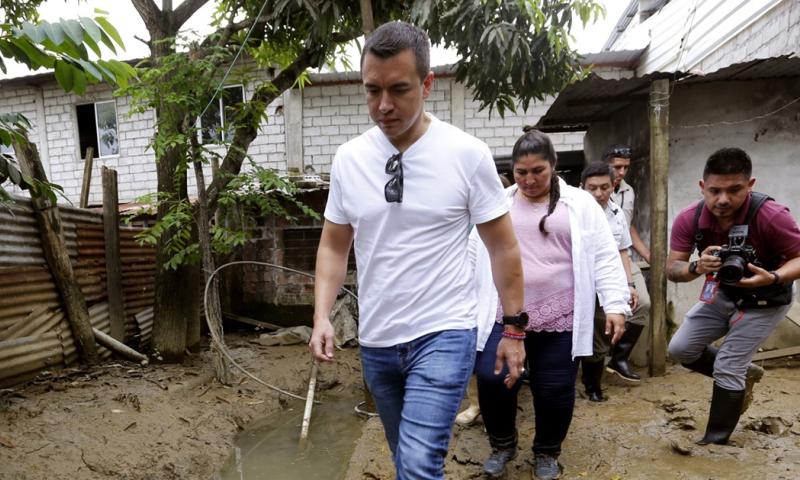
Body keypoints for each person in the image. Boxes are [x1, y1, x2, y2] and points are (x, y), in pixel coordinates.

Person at [309, 21, 526, 480]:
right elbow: (333, 245)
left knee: (416, 464)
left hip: (444, 331)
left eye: (399, 90)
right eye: (372, 91)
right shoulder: (349, 159)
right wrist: (322, 316)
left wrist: (513, 329)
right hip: (378, 340)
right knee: (404, 456)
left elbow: (503, 247)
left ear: (427, 84)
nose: (383, 105)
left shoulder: (466, 154)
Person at [474, 129, 630, 479]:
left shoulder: (580, 203)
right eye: (521, 172)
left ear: (554, 166)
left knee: (555, 388)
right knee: (492, 377)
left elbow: (605, 254)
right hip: (504, 313)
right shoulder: (498, 203)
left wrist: (615, 303)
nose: (529, 180)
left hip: (561, 313)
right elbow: (474, 256)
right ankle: (502, 444)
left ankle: (546, 452)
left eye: (537, 171)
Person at [667, 147, 800, 445]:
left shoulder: (772, 216)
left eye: (734, 190)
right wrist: (696, 266)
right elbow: (672, 268)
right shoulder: (690, 217)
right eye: (714, 191)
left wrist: (775, 276)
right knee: (680, 349)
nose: (723, 199)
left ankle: (715, 442)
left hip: (767, 300)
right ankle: (745, 374)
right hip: (722, 292)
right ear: (702, 187)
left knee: (729, 365)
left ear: (750, 185)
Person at [456, 174, 514, 427]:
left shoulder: (506, 221)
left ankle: (499, 402)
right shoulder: (462, 218)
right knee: (472, 353)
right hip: (468, 294)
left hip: (502, 296)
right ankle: (476, 403)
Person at [579, 162, 639, 402]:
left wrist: (629, 284)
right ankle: (585, 383)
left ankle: (604, 372)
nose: (598, 194)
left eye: (604, 188)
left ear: (613, 187)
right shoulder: (571, 215)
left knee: (608, 329)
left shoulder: (616, 215)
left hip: (608, 280)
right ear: (581, 187)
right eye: (592, 188)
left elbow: (623, 251)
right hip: (580, 282)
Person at [603, 144, 652, 382]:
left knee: (642, 304)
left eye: (626, 167)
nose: (622, 172)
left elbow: (628, 226)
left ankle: (619, 358)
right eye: (617, 166)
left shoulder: (629, 191)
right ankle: (592, 364)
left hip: (624, 257)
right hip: (599, 260)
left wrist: (647, 253)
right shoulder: (591, 189)